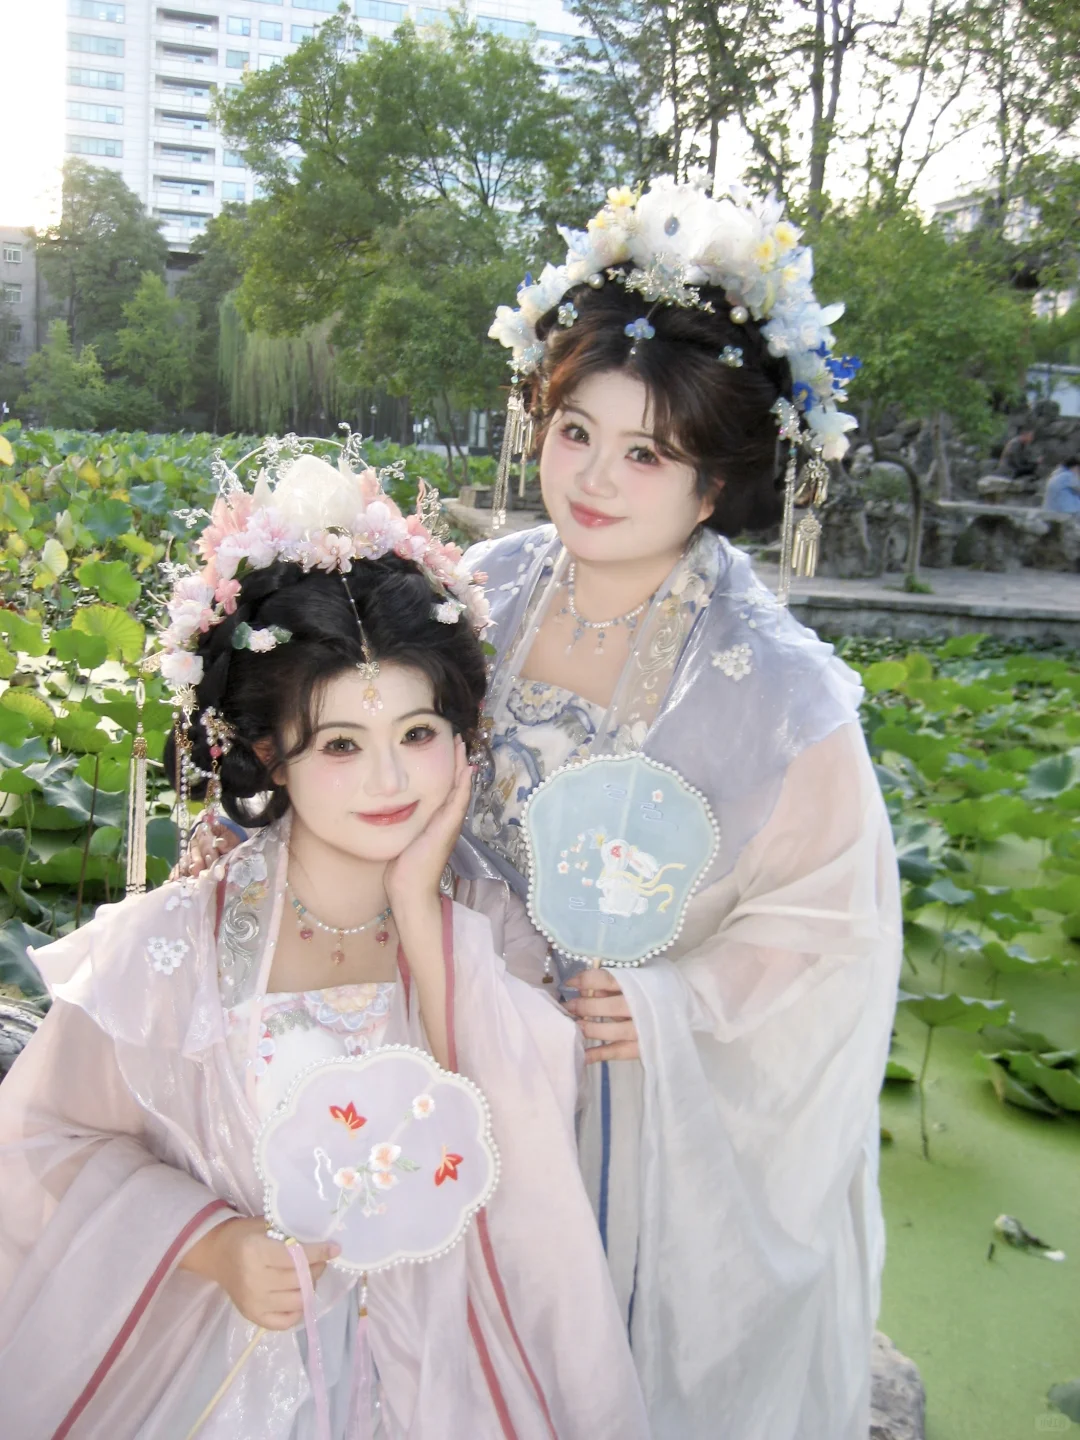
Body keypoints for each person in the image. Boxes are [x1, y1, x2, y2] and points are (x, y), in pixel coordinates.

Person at [186, 178, 903, 1438]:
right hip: (436, 1014)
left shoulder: (783, 694)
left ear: (716, 482)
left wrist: (678, 1003)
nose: (596, 478)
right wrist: (264, 836)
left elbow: (834, 943)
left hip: (609, 1087)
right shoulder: (484, 587)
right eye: (576, 431)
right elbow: (371, 758)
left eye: (647, 454)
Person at [0, 450, 648, 1439]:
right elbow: (45, 1138)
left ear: (464, 733)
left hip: (442, 1371)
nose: (391, 780)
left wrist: (419, 909)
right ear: (268, 753)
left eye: (419, 733)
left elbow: (520, 1143)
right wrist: (212, 1244)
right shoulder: (179, 943)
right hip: (229, 1372)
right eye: (341, 744)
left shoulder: (490, 931)